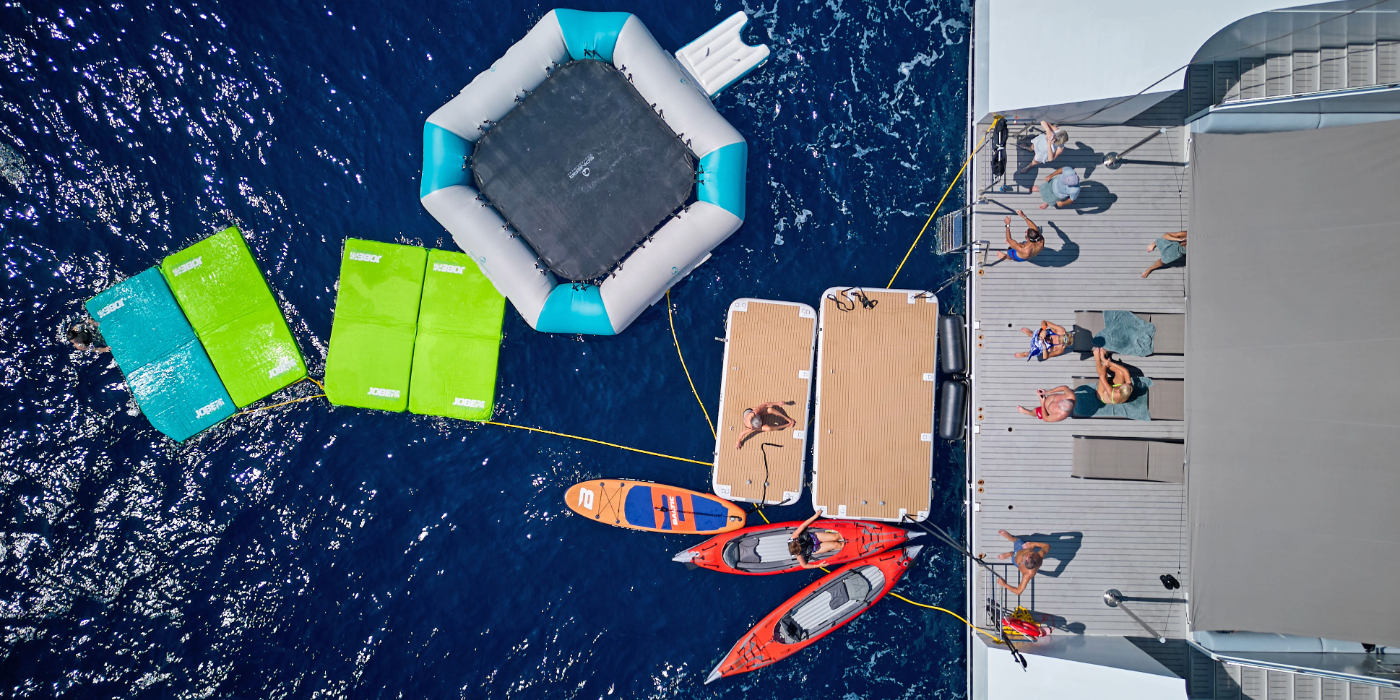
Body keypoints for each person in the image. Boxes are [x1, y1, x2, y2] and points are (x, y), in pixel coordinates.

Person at [996, 529, 1050, 595]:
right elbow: (1047, 546)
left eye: (1028, 556)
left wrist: (1004, 585)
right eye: (1031, 556)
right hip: (1022, 548)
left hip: (1015, 560)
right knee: (1016, 540)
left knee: (1013, 556)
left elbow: (1019, 591)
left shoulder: (1028, 574)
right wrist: (1033, 544)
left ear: (1023, 562)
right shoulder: (1039, 555)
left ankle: (1010, 554)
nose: (1030, 554)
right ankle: (1010, 538)